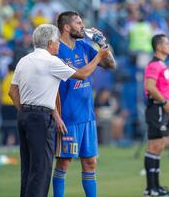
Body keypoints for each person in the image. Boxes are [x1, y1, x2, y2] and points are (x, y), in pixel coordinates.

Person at [8, 24, 108, 197]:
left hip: (24, 116)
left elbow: (12, 91)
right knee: (42, 168)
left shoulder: (24, 60)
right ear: (49, 43)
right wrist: (99, 56)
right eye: (56, 42)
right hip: (41, 117)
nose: (58, 45)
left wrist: (24, 111)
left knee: (28, 166)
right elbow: (82, 74)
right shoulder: (51, 61)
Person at [52, 11, 116, 197]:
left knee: (90, 162)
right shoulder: (57, 51)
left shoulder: (84, 46)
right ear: (66, 27)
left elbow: (110, 64)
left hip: (87, 116)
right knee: (64, 163)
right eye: (78, 23)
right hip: (68, 118)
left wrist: (102, 43)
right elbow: (82, 73)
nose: (83, 26)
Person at [143, 34, 169, 196]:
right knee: (154, 146)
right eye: (167, 43)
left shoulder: (162, 65)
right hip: (157, 108)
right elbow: (150, 87)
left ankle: (156, 187)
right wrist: (165, 102)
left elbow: (159, 87)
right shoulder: (154, 65)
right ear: (159, 47)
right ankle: (151, 188)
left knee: (159, 146)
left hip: (161, 108)